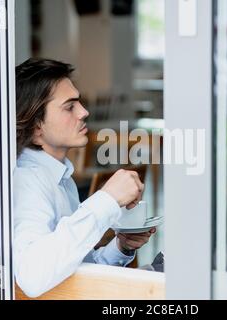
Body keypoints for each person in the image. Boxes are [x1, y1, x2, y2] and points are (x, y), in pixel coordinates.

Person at [14, 58, 156, 298]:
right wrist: (107, 198)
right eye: (70, 107)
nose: (84, 111)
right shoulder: (27, 181)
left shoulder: (60, 177)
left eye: (78, 102)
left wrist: (120, 247)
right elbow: (32, 275)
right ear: (36, 126)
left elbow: (73, 272)